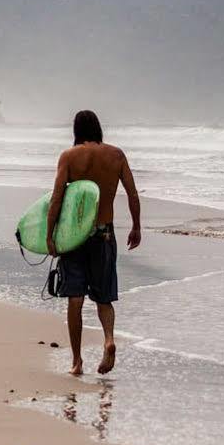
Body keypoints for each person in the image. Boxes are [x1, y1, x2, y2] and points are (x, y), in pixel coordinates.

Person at [45, 109, 140, 377]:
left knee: (75, 299)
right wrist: (136, 226)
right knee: (104, 296)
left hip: (75, 237)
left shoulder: (69, 156)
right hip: (104, 233)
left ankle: (76, 361)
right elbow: (132, 193)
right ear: (98, 128)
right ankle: (108, 339)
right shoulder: (116, 155)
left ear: (76, 130)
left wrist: (50, 235)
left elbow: (56, 199)